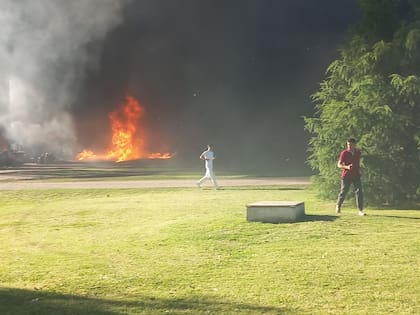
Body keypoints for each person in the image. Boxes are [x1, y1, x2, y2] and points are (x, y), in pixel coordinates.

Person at [335, 138, 366, 216]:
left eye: (350, 144)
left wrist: (360, 169)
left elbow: (357, 163)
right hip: (346, 175)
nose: (349, 146)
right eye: (348, 144)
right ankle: (338, 206)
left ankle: (360, 210)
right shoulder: (344, 153)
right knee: (344, 191)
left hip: (356, 175)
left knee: (359, 192)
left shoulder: (358, 152)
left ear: (354, 144)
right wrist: (347, 167)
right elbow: (339, 164)